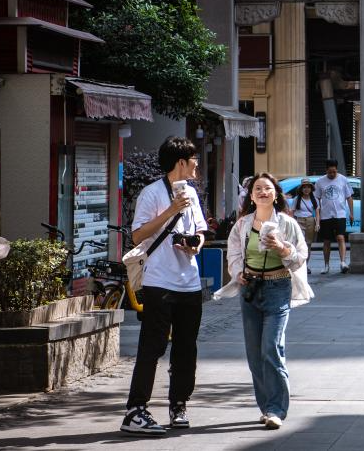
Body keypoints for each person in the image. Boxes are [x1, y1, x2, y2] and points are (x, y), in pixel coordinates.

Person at [120, 137, 207, 435]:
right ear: (180, 162)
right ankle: (135, 410)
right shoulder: (152, 193)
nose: (197, 163)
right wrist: (170, 210)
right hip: (159, 282)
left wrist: (195, 244)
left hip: (189, 282)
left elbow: (199, 230)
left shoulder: (192, 194)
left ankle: (178, 405)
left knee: (186, 348)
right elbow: (137, 235)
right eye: (193, 158)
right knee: (152, 347)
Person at [223, 173, 313, 429]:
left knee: (271, 348)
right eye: (257, 189)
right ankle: (265, 407)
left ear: (276, 194)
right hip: (250, 289)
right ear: (251, 196)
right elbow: (234, 253)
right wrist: (238, 272)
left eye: (268, 188)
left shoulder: (286, 224)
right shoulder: (242, 225)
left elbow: (300, 257)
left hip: (278, 287)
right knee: (254, 354)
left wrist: (282, 248)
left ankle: (276, 409)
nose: (263, 192)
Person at [316, 159, 353, 274]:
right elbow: (317, 199)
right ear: (326, 170)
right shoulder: (320, 182)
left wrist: (351, 213)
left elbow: (349, 197)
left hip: (340, 214)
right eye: (330, 172)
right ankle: (326, 265)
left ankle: (342, 262)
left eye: (334, 172)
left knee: (340, 237)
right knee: (326, 241)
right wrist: (318, 218)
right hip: (325, 216)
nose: (332, 174)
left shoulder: (343, 180)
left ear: (337, 169)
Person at [290, 179, 320, 274]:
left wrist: (318, 223)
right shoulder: (297, 199)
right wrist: (292, 224)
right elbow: (292, 212)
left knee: (308, 245)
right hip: (299, 221)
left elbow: (317, 212)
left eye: (308, 187)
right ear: (301, 189)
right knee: (299, 244)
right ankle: (299, 265)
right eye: (304, 187)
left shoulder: (314, 199)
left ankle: (306, 265)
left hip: (311, 220)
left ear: (311, 188)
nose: (306, 189)